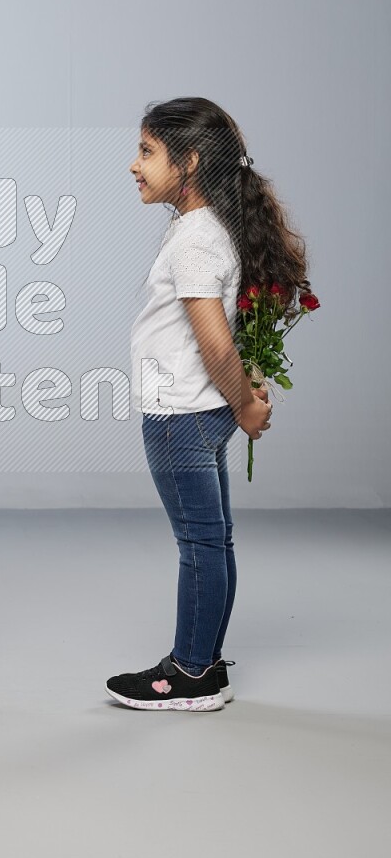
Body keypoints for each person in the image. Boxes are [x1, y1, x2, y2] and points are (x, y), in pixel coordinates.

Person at [106, 97, 309, 711]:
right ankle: (206, 664)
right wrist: (241, 400)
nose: (133, 165)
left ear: (189, 162)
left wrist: (246, 403)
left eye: (147, 152)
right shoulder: (206, 227)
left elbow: (213, 339)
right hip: (199, 412)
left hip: (180, 417)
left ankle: (190, 673)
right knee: (214, 542)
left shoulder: (194, 239)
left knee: (199, 544)